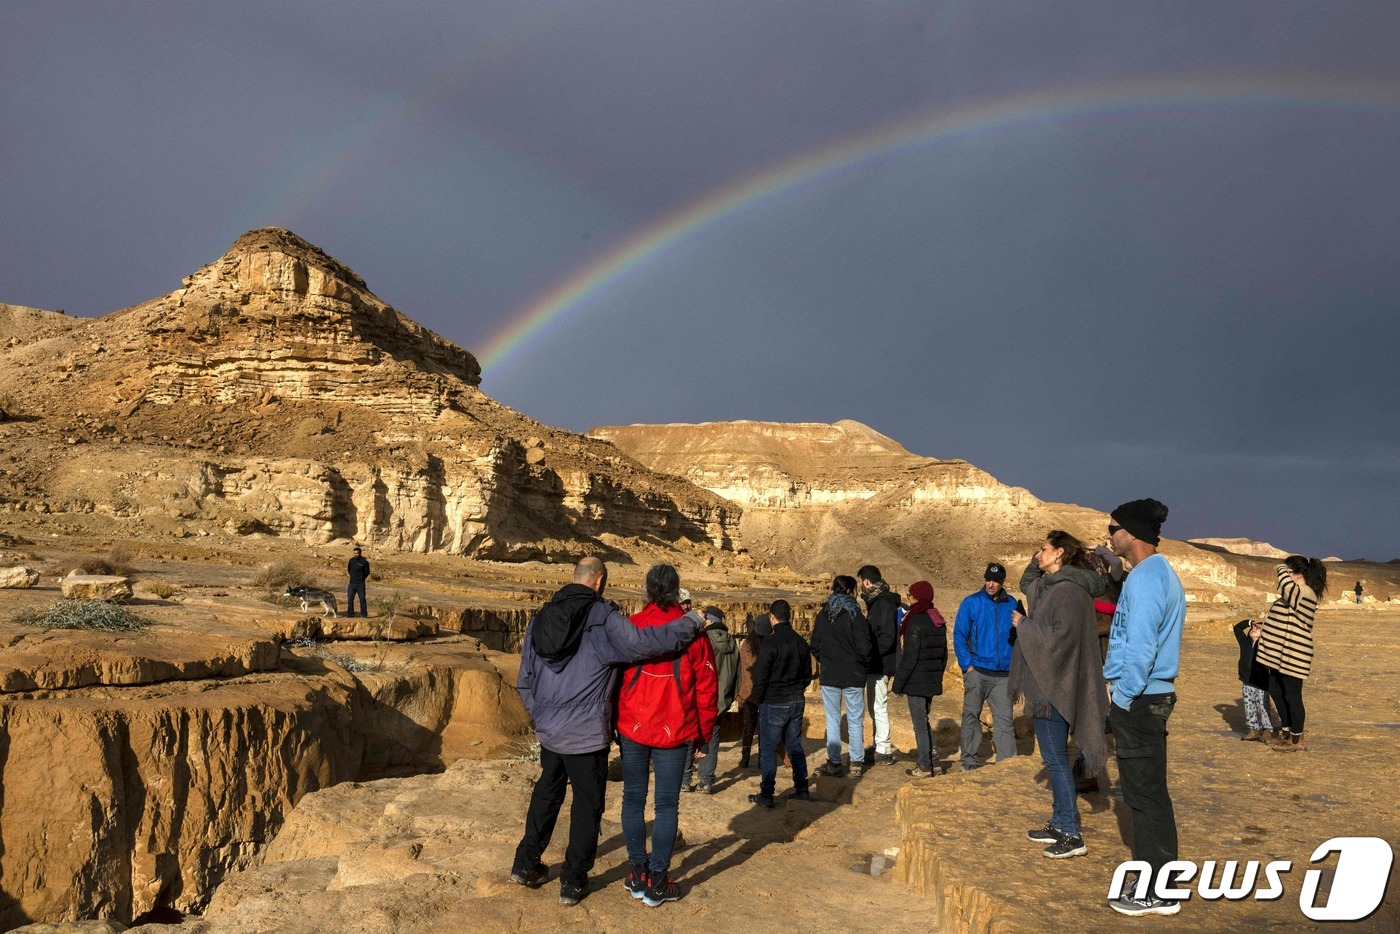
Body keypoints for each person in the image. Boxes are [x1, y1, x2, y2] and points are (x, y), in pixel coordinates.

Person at [512, 557, 702, 907]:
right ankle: (572, 881)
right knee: (587, 806)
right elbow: (648, 642)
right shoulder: (602, 620)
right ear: (599, 582)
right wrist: (691, 622)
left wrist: (541, 715)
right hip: (586, 735)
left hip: (551, 732)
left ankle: (525, 865)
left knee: (546, 794)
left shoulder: (541, 618)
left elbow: (525, 679)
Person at [1102, 499, 1186, 917]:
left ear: (1131, 533)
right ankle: (1157, 877)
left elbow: (1141, 645)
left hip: (1141, 699)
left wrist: (1121, 693)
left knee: (1145, 795)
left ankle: (1157, 889)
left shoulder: (1149, 578)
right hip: (1144, 696)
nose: (1108, 535)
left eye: (1112, 527)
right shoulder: (1151, 574)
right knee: (1146, 791)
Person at [616, 564, 718, 908]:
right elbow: (706, 688)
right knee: (665, 806)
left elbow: (614, 679)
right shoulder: (695, 634)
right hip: (673, 731)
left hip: (632, 726)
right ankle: (658, 880)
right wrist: (703, 736)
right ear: (677, 591)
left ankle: (637, 872)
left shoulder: (633, 626)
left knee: (632, 799)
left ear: (647, 590)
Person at [1009, 531, 1109, 861]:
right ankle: (1057, 823)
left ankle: (1070, 832)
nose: (1038, 555)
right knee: (1055, 761)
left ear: (1060, 553)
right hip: (1053, 686)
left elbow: (1058, 641)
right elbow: (1028, 579)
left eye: (1043, 550)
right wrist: (1040, 559)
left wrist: (1024, 624)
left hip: (1056, 689)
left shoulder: (1066, 592)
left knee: (1055, 762)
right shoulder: (1058, 586)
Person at [1254, 556, 1326, 752]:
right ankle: (1287, 731)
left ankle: (1296, 740)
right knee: (1276, 691)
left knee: (1293, 695)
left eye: (1288, 571)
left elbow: (1286, 587)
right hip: (1280, 656)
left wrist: (1280, 567)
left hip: (1294, 655)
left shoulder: (1305, 593)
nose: (1284, 574)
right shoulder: (1293, 594)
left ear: (1297, 574)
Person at [747, 599, 814, 807]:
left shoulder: (770, 643)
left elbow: (761, 676)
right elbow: (807, 675)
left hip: (774, 702)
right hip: (796, 699)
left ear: (772, 617)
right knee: (794, 745)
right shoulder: (801, 642)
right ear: (790, 617)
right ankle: (802, 788)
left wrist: (759, 699)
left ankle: (767, 795)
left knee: (768, 749)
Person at [953, 562, 1017, 772]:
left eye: (996, 581)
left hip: (1004, 674)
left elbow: (1019, 637)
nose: (991, 584)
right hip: (977, 671)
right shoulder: (972, 602)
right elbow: (959, 635)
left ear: (1003, 582)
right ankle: (969, 762)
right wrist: (967, 666)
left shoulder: (1012, 604)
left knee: (1005, 720)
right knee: (971, 716)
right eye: (988, 579)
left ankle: (1006, 766)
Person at [809, 575, 872, 777]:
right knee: (855, 719)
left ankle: (834, 762)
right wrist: (862, 663)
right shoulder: (855, 614)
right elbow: (865, 646)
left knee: (833, 720)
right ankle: (856, 762)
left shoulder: (824, 614)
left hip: (830, 675)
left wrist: (826, 661)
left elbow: (815, 645)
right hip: (853, 674)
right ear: (849, 591)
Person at [893, 580, 948, 778]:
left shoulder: (915, 621)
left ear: (917, 597)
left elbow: (910, 656)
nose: (908, 598)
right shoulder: (937, 618)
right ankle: (935, 763)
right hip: (930, 679)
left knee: (919, 724)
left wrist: (898, 684)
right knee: (924, 721)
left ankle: (924, 766)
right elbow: (943, 655)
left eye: (910, 595)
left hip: (916, 681)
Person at [682, 606, 739, 793]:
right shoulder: (732, 643)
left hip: (700, 698)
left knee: (690, 737)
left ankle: (684, 780)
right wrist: (729, 699)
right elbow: (738, 676)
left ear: (709, 621)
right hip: (721, 701)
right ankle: (705, 781)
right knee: (712, 740)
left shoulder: (702, 640)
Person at [858, 565, 900, 765]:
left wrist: (869, 656)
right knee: (875, 707)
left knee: (879, 706)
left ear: (866, 581)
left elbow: (886, 638)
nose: (860, 587)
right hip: (876, 663)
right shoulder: (877, 602)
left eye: (860, 582)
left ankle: (884, 749)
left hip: (880, 664)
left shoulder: (882, 604)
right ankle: (878, 744)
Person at [735, 612, 773, 769]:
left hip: (748, 693)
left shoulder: (746, 645)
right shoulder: (769, 645)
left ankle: (745, 758)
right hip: (764, 692)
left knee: (748, 726)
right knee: (764, 727)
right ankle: (761, 758)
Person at [1233, 617, 1276, 742]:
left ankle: (1267, 730)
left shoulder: (1264, 645)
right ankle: (1253, 730)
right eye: (1252, 628)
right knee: (1249, 707)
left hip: (1261, 682)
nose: (1254, 629)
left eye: (1257, 629)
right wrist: (1249, 622)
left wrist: (1263, 627)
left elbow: (1272, 634)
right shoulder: (1244, 643)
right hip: (1247, 681)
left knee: (1263, 706)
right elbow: (1237, 628)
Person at [346, 545, 370, 618]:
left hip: (360, 584)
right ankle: (350, 613)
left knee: (362, 600)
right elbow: (349, 569)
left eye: (357, 553)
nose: (355, 554)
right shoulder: (351, 560)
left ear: (360, 553)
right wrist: (353, 576)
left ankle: (363, 614)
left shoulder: (364, 562)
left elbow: (367, 572)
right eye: (354, 553)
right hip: (352, 583)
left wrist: (362, 578)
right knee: (350, 599)